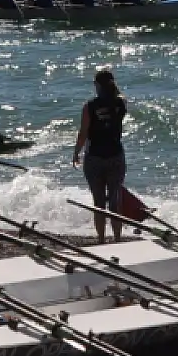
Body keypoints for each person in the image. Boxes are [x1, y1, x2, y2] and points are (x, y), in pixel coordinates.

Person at [73, 69, 128, 242]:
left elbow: (83, 133)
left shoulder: (89, 106)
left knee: (99, 202)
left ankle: (102, 239)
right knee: (115, 201)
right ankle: (118, 238)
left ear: (96, 85)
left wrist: (76, 152)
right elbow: (120, 97)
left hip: (94, 157)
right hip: (115, 155)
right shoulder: (121, 103)